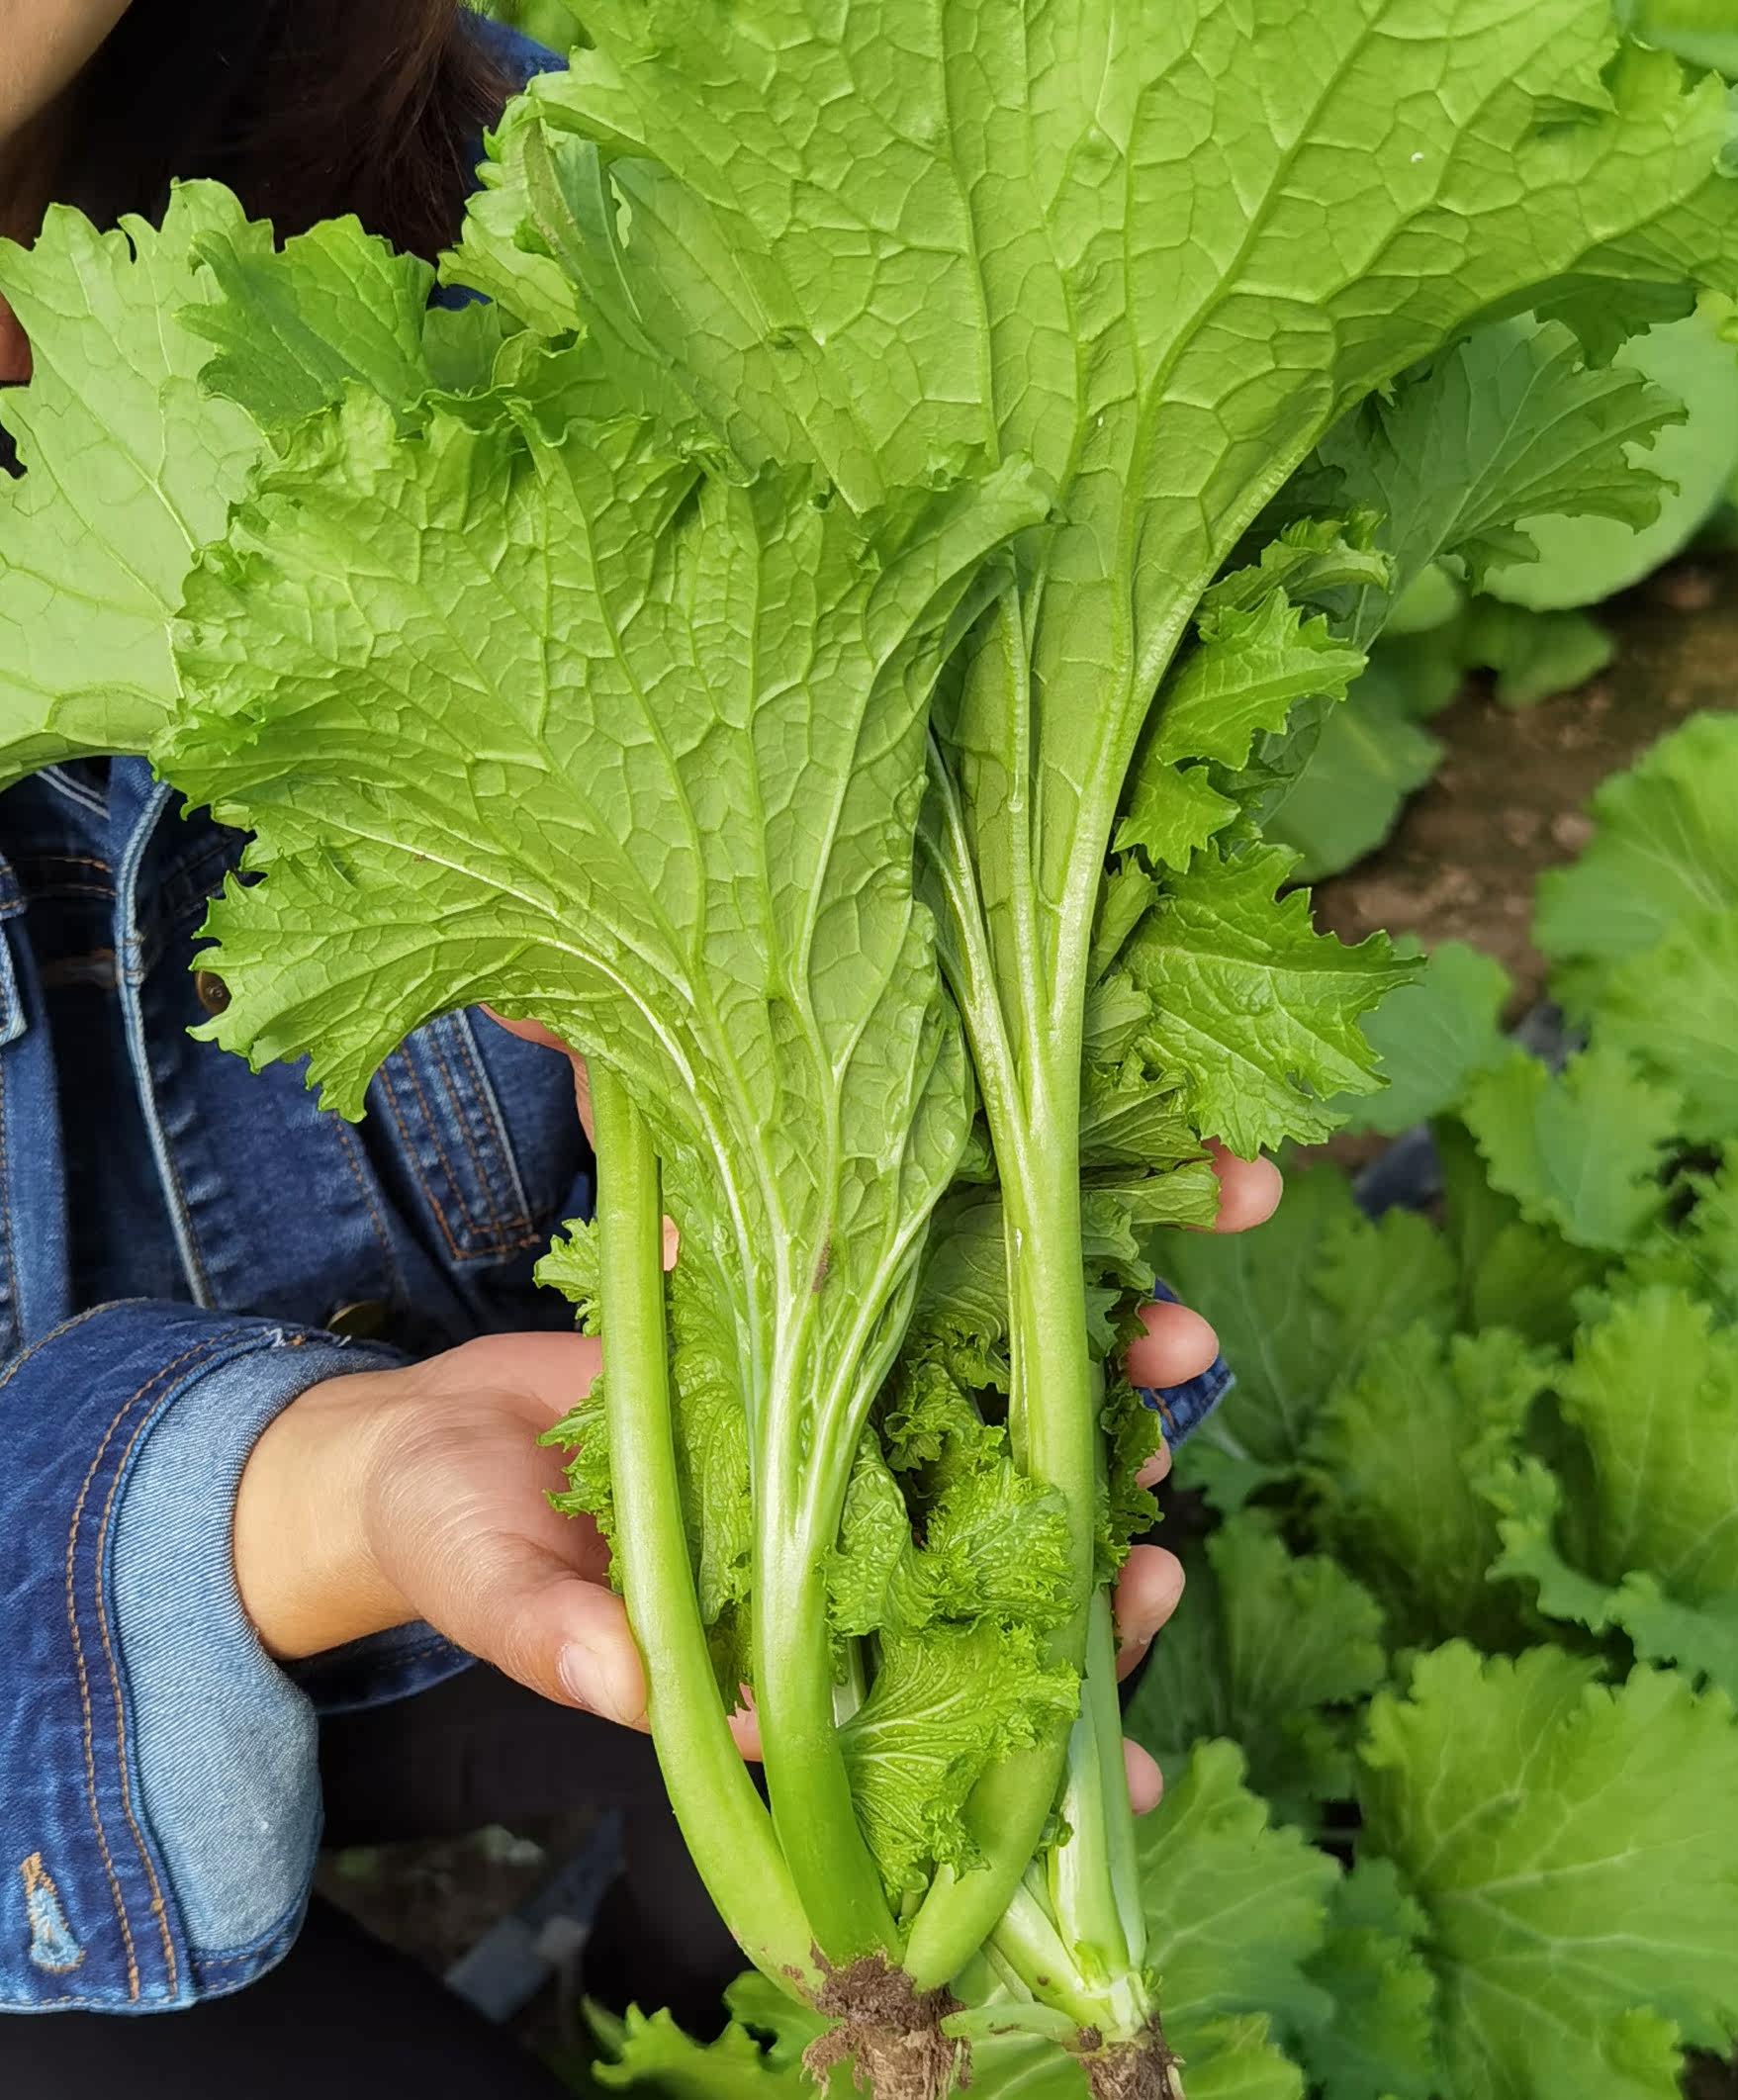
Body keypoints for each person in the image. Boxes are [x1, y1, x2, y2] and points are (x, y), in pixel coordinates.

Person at [0, 4, 1284, 2092]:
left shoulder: (572, 223)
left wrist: (915, 1090)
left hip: (552, 1508)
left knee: (863, 1721)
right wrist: (288, 1501)